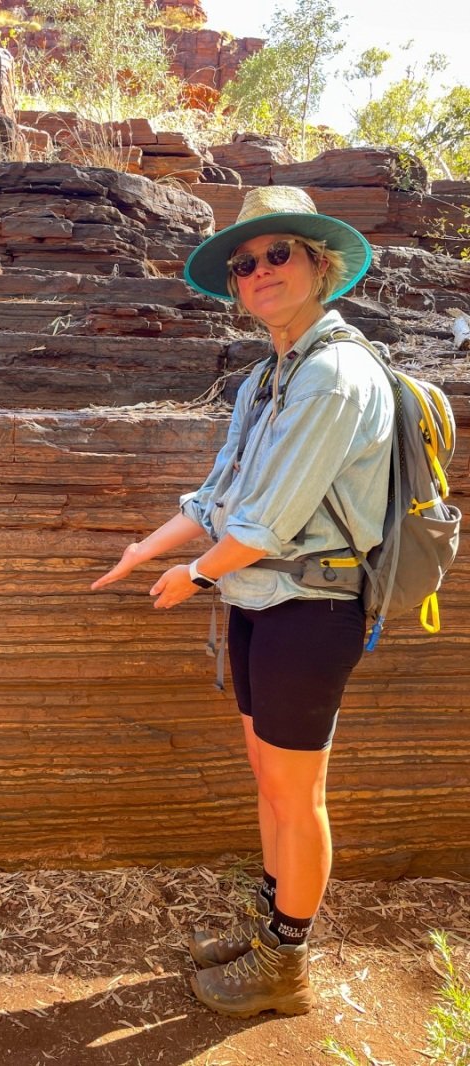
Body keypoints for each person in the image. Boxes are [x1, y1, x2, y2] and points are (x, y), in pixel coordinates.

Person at [91, 186, 394, 1018]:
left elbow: (268, 521)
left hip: (313, 607)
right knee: (268, 777)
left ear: (319, 265)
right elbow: (219, 496)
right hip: (260, 599)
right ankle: (271, 928)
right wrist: (144, 551)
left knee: (298, 794)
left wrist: (194, 576)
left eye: (277, 254)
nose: (258, 271)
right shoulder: (266, 378)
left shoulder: (334, 374)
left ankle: (286, 967)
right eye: (244, 263)